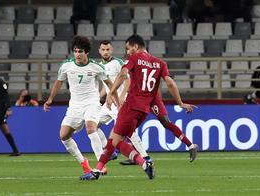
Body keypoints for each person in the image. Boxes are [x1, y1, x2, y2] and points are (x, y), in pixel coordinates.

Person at [80, 34, 195, 180]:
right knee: (114, 140)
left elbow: (123, 75)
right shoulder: (160, 63)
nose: (128, 52)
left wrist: (113, 91)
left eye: (128, 48)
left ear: (135, 46)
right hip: (144, 110)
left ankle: (143, 163)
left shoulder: (134, 58)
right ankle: (97, 171)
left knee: (115, 141)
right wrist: (180, 103)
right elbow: (171, 83)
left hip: (130, 106)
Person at [44, 35, 112, 175]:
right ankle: (83, 162)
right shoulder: (66, 66)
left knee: (90, 127)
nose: (77, 54)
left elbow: (110, 84)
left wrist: (115, 99)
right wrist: (50, 98)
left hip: (91, 103)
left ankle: (101, 164)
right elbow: (58, 82)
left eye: (80, 51)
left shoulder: (96, 67)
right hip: (74, 106)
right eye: (75, 51)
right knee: (63, 136)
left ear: (86, 52)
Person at [96, 40, 149, 165]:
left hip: (120, 101)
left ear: (112, 50)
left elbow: (128, 80)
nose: (105, 52)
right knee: (93, 125)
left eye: (108, 49)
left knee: (128, 131)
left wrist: (121, 96)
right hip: (109, 102)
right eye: (103, 50)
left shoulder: (118, 62)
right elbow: (106, 86)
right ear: (99, 51)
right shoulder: (99, 66)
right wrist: (99, 97)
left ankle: (145, 157)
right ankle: (110, 151)